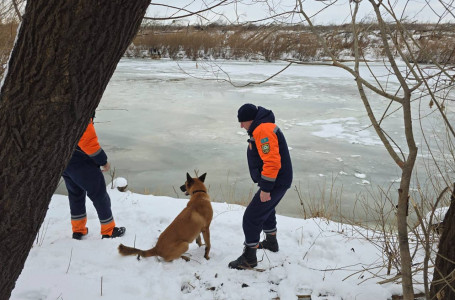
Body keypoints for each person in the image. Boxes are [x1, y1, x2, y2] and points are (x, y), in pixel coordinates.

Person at [228, 104, 293, 270]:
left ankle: (249, 258)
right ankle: (271, 242)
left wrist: (266, 188)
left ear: (250, 119)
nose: (241, 126)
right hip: (277, 180)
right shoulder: (262, 127)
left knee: (251, 217)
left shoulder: (263, 130)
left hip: (275, 181)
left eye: (242, 122)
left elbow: (272, 162)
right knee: (267, 209)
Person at [62, 116, 126, 240]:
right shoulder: (81, 111)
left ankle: (78, 230)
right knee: (99, 195)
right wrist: (103, 161)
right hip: (81, 161)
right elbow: (87, 141)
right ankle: (109, 230)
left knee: (75, 195)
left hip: (65, 161)